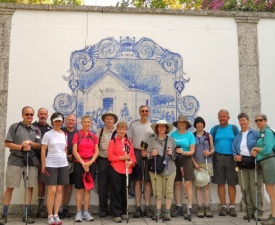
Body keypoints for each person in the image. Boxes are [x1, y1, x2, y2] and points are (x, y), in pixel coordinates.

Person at [0, 106, 41, 225]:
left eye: (31, 114)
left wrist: (31, 143)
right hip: (15, 161)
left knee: (29, 187)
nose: (29, 116)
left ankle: (26, 214)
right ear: (22, 115)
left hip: (31, 162)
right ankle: (4, 214)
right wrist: (21, 147)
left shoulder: (36, 130)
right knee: (10, 187)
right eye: (27, 114)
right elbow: (7, 143)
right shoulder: (15, 127)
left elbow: (39, 146)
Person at [232, 113, 263, 220]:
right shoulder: (237, 137)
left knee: (255, 188)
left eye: (244, 120)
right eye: (240, 120)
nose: (242, 122)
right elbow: (234, 151)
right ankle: (249, 212)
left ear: (248, 121)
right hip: (241, 164)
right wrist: (236, 157)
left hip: (253, 163)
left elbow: (260, 146)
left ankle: (258, 212)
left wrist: (256, 151)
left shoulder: (255, 134)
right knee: (245, 188)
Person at [41, 112, 69, 225]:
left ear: (62, 122)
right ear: (52, 121)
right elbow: (43, 150)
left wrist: (65, 157)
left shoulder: (64, 134)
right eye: (56, 120)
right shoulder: (48, 134)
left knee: (59, 190)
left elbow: (65, 148)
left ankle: (56, 215)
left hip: (63, 164)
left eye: (60, 121)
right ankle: (50, 215)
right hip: (51, 164)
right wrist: (43, 165)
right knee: (51, 191)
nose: (58, 122)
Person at [210, 109, 239, 217]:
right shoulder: (214, 129)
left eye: (224, 116)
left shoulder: (234, 128)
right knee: (220, 183)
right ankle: (223, 206)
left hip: (232, 158)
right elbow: (210, 142)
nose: (222, 118)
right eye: (220, 116)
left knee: (231, 183)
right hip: (218, 157)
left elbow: (239, 142)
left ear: (228, 117)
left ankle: (232, 207)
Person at [127, 105, 154, 218]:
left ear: (149, 112)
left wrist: (148, 152)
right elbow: (129, 141)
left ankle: (147, 207)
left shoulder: (152, 126)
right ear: (139, 112)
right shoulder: (134, 125)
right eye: (142, 111)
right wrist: (131, 155)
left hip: (147, 154)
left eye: (146, 111)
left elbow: (154, 142)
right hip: (136, 153)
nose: (144, 113)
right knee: (137, 181)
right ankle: (138, 207)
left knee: (147, 181)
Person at [147, 120, 176, 221]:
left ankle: (167, 211)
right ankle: (158, 211)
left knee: (168, 190)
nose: (162, 128)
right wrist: (151, 154)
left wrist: (172, 153)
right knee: (157, 190)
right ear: (157, 128)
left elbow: (176, 156)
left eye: (164, 127)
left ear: (166, 128)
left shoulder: (172, 140)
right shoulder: (151, 140)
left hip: (170, 168)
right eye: (160, 127)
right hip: (155, 169)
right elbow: (147, 155)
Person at [108, 121, 136, 223]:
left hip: (127, 170)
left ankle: (124, 211)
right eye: (120, 129)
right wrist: (121, 157)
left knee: (125, 191)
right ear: (117, 130)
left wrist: (131, 162)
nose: (122, 131)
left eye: (124, 129)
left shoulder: (128, 142)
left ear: (126, 130)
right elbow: (110, 156)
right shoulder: (113, 141)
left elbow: (133, 156)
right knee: (116, 191)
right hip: (116, 169)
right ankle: (116, 213)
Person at [72, 114, 99, 222]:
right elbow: (74, 151)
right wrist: (83, 163)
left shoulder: (94, 136)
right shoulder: (77, 135)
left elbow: (96, 151)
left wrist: (90, 162)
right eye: (85, 122)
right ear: (81, 123)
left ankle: (86, 212)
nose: (87, 124)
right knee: (79, 189)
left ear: (91, 123)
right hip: (79, 163)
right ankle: (78, 212)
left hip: (91, 163)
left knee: (88, 189)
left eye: (88, 122)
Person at [251, 114, 275, 225]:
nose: (258, 122)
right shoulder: (261, 133)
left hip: (269, 162)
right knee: (270, 190)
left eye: (260, 120)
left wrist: (255, 148)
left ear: (266, 120)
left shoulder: (268, 132)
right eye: (256, 120)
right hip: (264, 162)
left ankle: (273, 218)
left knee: (271, 191)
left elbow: (267, 149)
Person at [171, 115, 195, 219]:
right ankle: (179, 207)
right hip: (175, 160)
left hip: (186, 159)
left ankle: (189, 207)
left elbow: (192, 151)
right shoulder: (173, 134)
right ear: (177, 124)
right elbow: (170, 147)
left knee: (188, 184)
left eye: (183, 122)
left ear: (186, 124)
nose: (181, 124)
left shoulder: (190, 135)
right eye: (179, 122)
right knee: (177, 184)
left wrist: (184, 152)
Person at [96, 111, 118, 217]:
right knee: (102, 185)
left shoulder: (118, 132)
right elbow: (95, 147)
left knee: (114, 185)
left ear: (114, 121)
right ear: (104, 120)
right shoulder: (99, 131)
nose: (109, 121)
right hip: (103, 160)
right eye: (107, 119)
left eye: (111, 119)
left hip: (115, 162)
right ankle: (103, 209)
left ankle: (114, 209)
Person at [192, 117, 215, 218]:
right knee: (198, 185)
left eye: (201, 123)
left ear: (203, 124)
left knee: (206, 186)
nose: (199, 125)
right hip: (196, 163)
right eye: (198, 123)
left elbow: (213, 149)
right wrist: (194, 163)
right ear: (195, 125)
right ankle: (200, 207)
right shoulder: (192, 136)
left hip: (207, 163)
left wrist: (209, 152)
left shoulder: (208, 135)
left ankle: (207, 207)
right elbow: (191, 151)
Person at [33, 107, 52, 218]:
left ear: (47, 115)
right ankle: (37, 208)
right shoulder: (33, 127)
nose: (43, 116)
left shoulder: (50, 128)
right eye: (41, 114)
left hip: (48, 159)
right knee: (37, 184)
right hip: (35, 159)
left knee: (44, 183)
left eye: (45, 114)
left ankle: (43, 208)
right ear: (38, 115)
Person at [60, 113, 78, 218]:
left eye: (73, 120)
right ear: (65, 121)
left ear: (75, 122)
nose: (71, 121)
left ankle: (65, 207)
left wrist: (73, 157)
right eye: (69, 120)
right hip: (62, 161)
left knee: (69, 185)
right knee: (61, 185)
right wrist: (66, 155)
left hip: (74, 161)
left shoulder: (78, 133)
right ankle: (59, 208)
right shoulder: (61, 132)